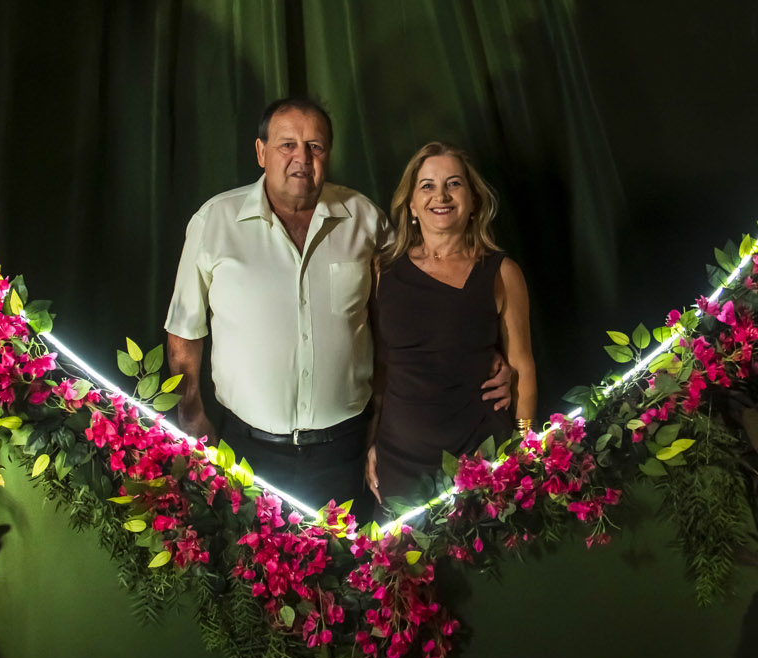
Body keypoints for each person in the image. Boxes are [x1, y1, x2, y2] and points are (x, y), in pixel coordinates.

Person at [164, 99, 513, 508]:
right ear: (261, 152)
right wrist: (192, 419)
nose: (302, 158)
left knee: (347, 550)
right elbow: (184, 333)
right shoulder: (214, 222)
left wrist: (479, 360)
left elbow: (418, 307)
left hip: (346, 451)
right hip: (245, 449)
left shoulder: (365, 219)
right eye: (287, 145)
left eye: (315, 146)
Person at [366, 142, 537, 511]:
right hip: (401, 461)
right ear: (411, 204)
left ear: (473, 200)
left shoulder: (503, 273)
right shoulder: (383, 271)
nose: (440, 196)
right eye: (427, 185)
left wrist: (525, 448)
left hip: (482, 455)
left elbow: (522, 365)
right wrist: (371, 441)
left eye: (454, 184)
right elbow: (381, 365)